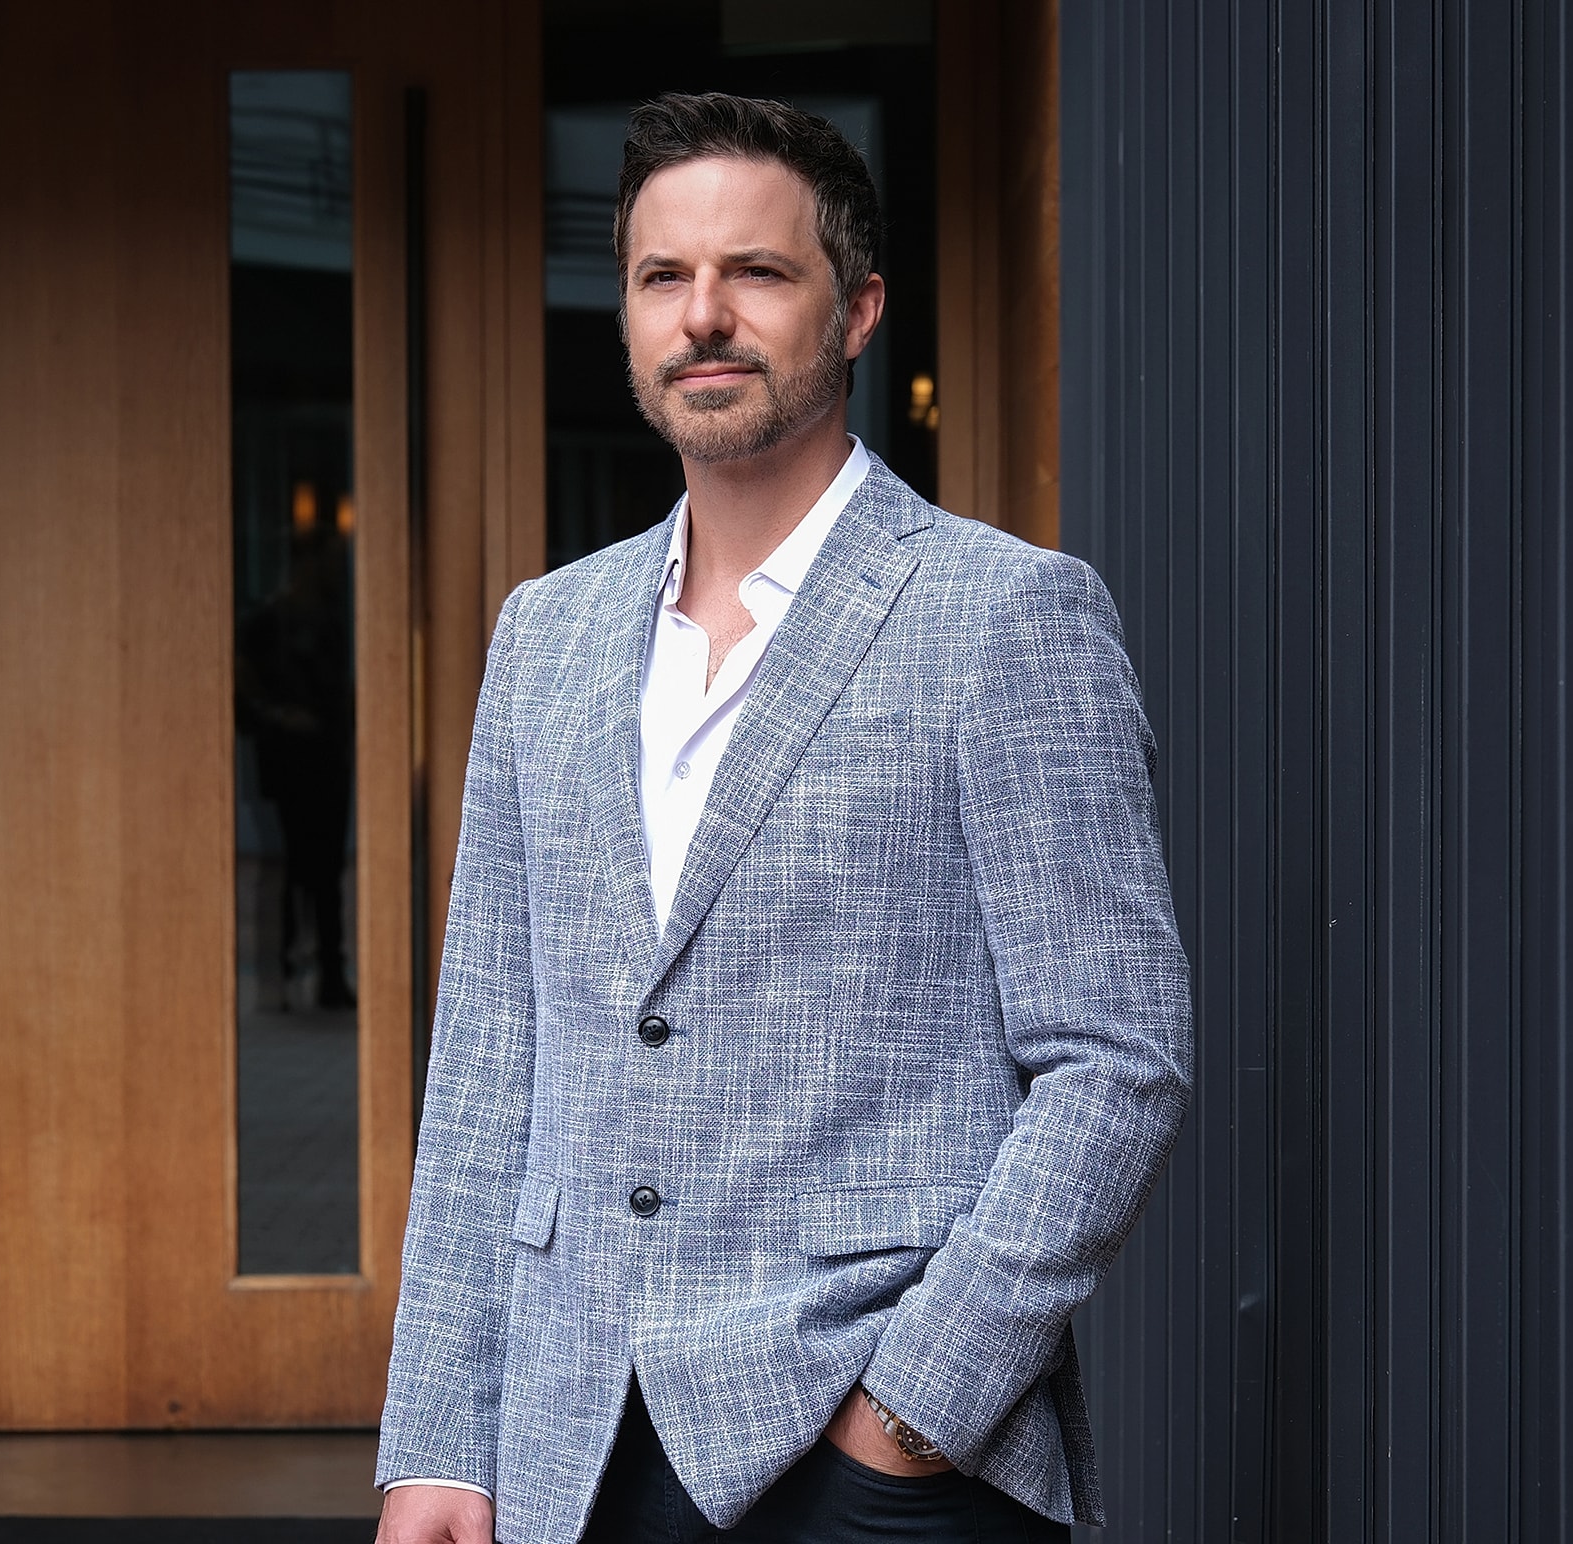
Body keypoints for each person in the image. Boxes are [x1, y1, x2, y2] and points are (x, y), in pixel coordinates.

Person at [375, 93, 1191, 1544]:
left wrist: (915, 1411)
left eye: (756, 272)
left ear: (858, 309)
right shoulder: (545, 637)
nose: (704, 316)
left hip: (869, 1457)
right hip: (570, 1451)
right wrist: (441, 1438)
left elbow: (1115, 1058)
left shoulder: (1006, 617)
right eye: (662, 277)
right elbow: (492, 1062)